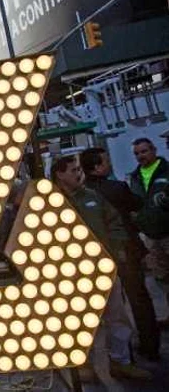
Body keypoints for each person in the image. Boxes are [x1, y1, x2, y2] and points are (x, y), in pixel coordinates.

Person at [51, 156, 152, 380]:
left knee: (116, 315)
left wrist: (116, 250)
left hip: (103, 268)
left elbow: (114, 221)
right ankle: (84, 364)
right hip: (72, 274)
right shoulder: (50, 202)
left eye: (79, 169)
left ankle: (120, 361)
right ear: (59, 174)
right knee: (80, 320)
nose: (79, 173)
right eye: (74, 170)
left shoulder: (92, 196)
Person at [80, 147, 160, 359]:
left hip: (97, 256)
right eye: (105, 161)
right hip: (126, 251)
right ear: (97, 167)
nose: (109, 164)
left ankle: (121, 354)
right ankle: (149, 347)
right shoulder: (117, 188)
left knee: (111, 307)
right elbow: (138, 205)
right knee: (139, 300)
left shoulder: (81, 194)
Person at [128, 138, 169, 301]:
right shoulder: (135, 177)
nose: (140, 156)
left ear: (154, 150)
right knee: (161, 277)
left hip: (168, 232)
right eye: (137, 153)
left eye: (144, 151)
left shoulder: (166, 171)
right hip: (150, 236)